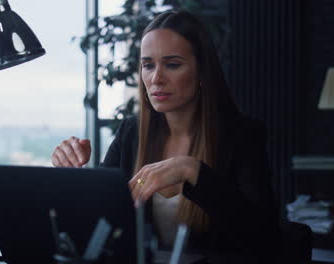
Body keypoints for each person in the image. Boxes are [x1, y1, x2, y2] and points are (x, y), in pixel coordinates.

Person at [51, 10, 279, 259]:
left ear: (202, 71)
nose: (156, 78)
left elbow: (264, 237)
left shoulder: (242, 136)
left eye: (172, 65)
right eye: (148, 65)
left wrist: (193, 171)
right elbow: (102, 219)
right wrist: (73, 174)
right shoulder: (130, 132)